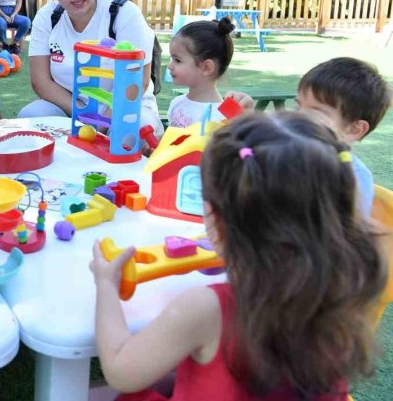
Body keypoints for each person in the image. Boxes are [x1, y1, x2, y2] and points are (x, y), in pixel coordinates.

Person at [91, 112, 386, 400]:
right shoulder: (344, 294)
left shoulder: (206, 308)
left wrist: (106, 285)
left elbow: (120, 371)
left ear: (217, 223)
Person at [18, 0, 162, 137]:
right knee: (30, 117)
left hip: (126, 108)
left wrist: (102, 125)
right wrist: (84, 116)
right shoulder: (47, 17)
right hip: (71, 109)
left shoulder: (122, 13)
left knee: (125, 133)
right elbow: (41, 82)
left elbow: (136, 81)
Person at [296, 58, 391, 216]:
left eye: (315, 112)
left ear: (354, 130)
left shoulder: (355, 179)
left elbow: (343, 236)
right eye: (298, 106)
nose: (297, 117)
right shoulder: (289, 151)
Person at [166, 17, 237, 128]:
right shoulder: (177, 103)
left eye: (177, 60)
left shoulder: (223, 117)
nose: (169, 66)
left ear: (206, 67)